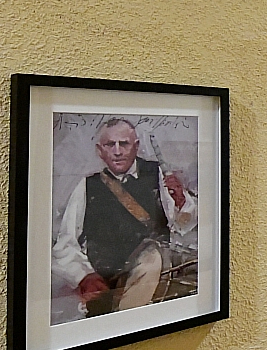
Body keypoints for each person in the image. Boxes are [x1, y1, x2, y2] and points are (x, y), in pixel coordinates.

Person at [52, 118, 197, 318]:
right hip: (111, 282)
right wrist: (85, 277)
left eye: (124, 144)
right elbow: (65, 245)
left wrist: (180, 200)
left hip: (158, 272)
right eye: (110, 144)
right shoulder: (87, 186)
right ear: (100, 150)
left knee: (157, 259)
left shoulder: (157, 174)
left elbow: (184, 224)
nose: (117, 151)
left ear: (136, 146)